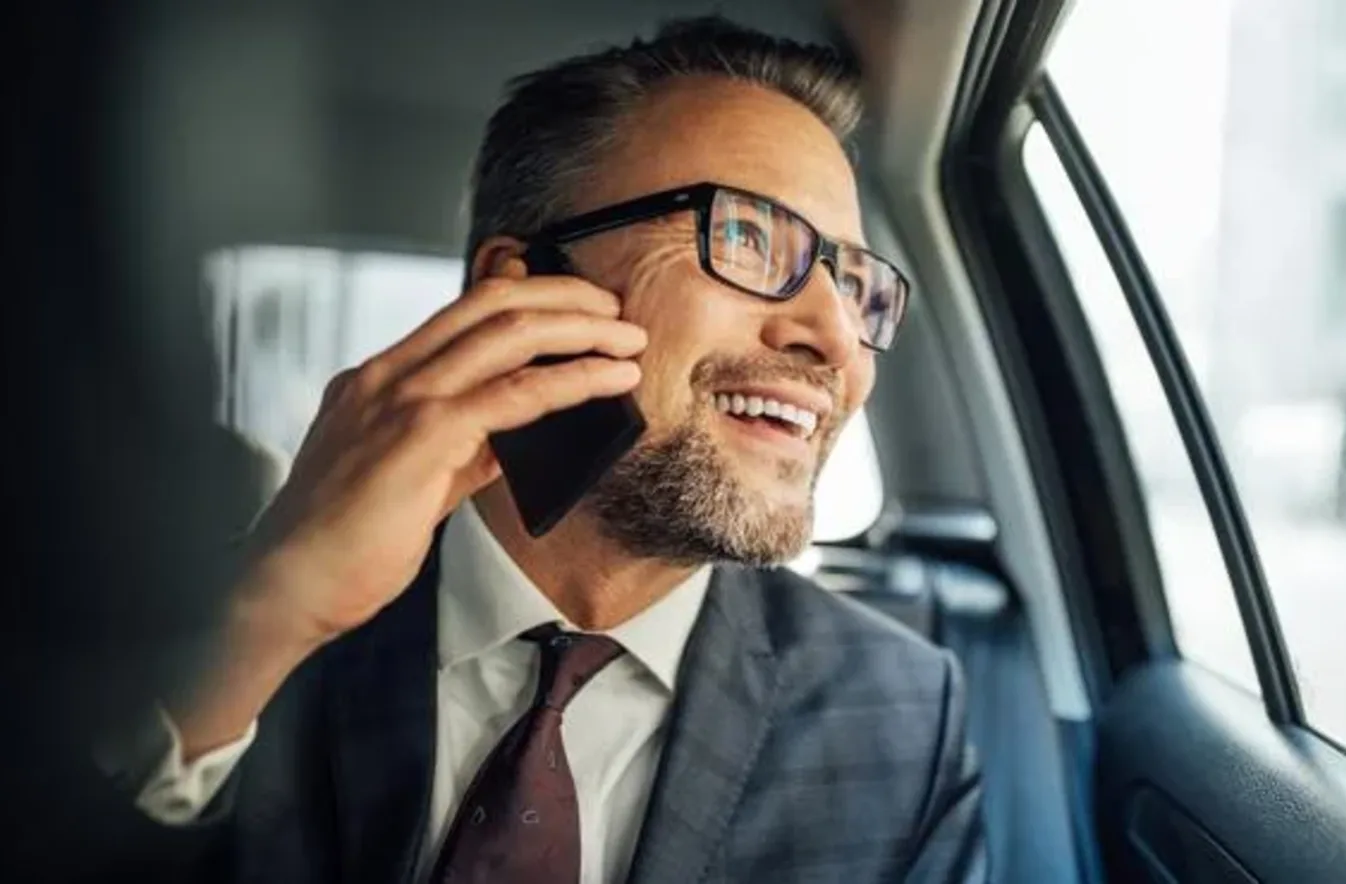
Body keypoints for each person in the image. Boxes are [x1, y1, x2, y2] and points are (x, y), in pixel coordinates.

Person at [95, 15, 985, 884]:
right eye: (747, 235)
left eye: (856, 283)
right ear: (518, 293)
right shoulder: (215, 633)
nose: (835, 335)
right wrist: (266, 619)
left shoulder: (906, 717)